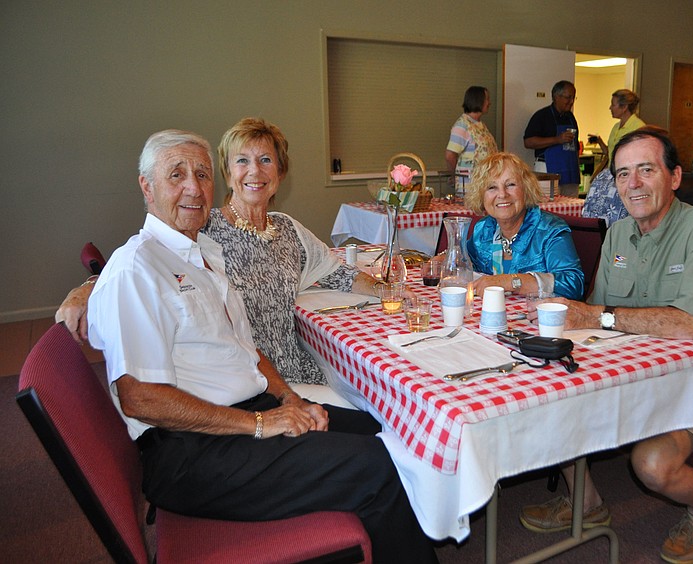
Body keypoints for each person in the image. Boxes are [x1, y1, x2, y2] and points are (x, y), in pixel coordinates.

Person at [85, 129, 437, 563]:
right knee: (378, 466)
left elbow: (246, 352)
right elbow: (138, 397)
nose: (193, 187)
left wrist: (289, 397)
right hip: (192, 449)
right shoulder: (138, 267)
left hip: (246, 410)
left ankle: (383, 531)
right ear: (147, 186)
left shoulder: (202, 255)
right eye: (176, 175)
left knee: (386, 433)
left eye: (200, 174)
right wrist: (259, 423)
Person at [520, 127, 693, 564]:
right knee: (543, 403)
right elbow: (592, 322)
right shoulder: (618, 234)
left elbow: (690, 326)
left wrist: (597, 315)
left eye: (646, 170)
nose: (633, 184)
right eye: (623, 174)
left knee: (651, 464)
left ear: (676, 176)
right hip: (636, 379)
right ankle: (587, 501)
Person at [56, 118, 386, 402]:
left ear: (280, 174)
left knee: (372, 398)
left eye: (266, 160)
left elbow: (341, 274)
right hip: (243, 384)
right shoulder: (200, 225)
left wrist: (390, 291)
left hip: (294, 369)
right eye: (242, 161)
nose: (254, 171)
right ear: (227, 174)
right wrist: (84, 291)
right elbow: (140, 263)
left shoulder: (287, 229)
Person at [463, 152, 584, 299]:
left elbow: (574, 284)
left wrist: (510, 281)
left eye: (510, 185)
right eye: (491, 187)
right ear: (481, 197)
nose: (502, 194)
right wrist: (443, 258)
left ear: (526, 189)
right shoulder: (484, 229)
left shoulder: (550, 230)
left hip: (537, 318)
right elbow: (465, 261)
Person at [582, 89, 646, 225]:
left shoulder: (638, 127)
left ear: (624, 107)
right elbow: (610, 153)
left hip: (625, 176)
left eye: (613, 104)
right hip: (611, 174)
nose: (610, 108)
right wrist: (599, 141)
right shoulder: (616, 127)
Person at [524, 80, 580, 187]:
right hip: (547, 169)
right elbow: (528, 142)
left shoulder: (571, 117)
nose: (571, 101)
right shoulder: (542, 116)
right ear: (556, 96)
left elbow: (575, 147)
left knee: (571, 203)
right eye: (568, 97)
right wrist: (557, 140)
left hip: (570, 171)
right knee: (548, 203)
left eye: (573, 97)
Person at [445, 86, 498, 194]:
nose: (489, 103)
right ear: (478, 100)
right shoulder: (462, 125)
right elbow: (450, 155)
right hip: (470, 187)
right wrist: (455, 176)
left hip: (485, 184)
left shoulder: (480, 125)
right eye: (487, 99)